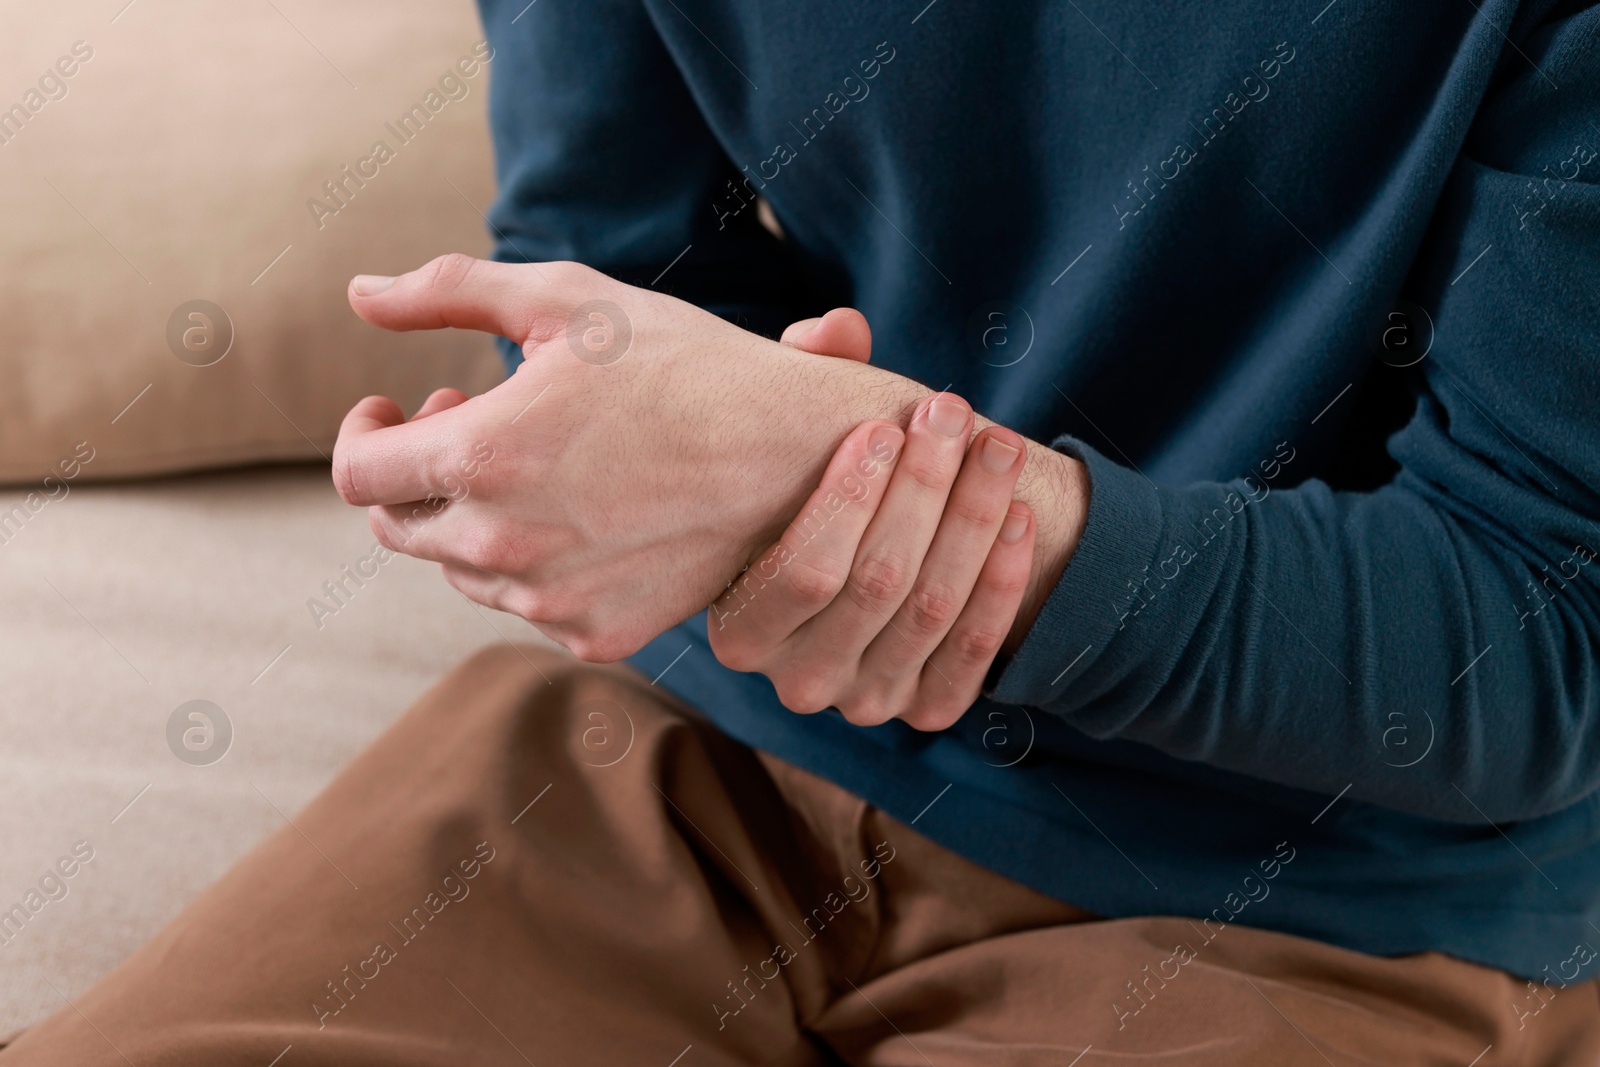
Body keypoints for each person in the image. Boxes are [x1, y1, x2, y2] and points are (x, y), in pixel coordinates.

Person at [6, 0, 1599, 1063]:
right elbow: (608, 270)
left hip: (1339, 888)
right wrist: (629, 452)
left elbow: (1543, 635)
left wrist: (867, 496)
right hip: (712, 745)